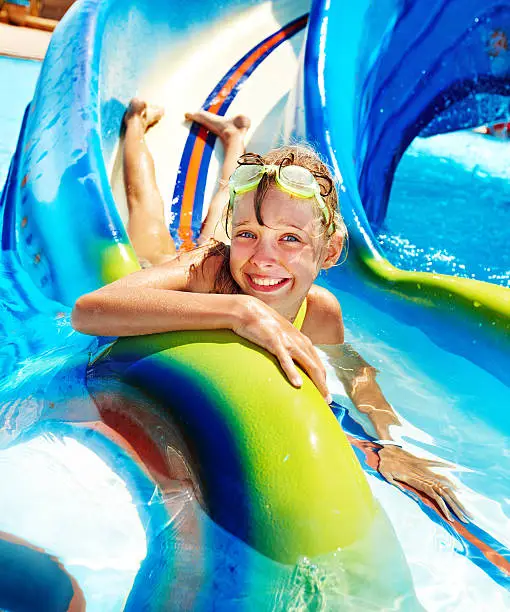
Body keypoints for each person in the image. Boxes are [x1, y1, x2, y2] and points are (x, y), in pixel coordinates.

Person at [72, 99, 467, 523]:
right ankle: (135, 127)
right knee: (147, 219)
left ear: (329, 251)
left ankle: (234, 137)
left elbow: (356, 374)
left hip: (225, 256)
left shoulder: (320, 310)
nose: (263, 259)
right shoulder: (209, 269)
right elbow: (88, 312)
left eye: (291, 240)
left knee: (232, 210)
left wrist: (390, 445)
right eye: (250, 234)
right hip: (204, 268)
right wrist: (239, 310)